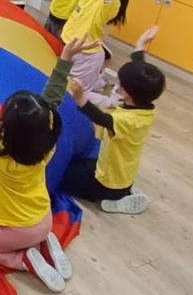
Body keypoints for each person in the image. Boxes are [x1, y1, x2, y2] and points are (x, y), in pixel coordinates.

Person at [0, 37, 99, 292]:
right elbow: (52, 99)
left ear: (5, 129)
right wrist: (66, 59)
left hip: (16, 231)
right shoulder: (47, 148)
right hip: (44, 218)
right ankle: (45, 241)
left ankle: (23, 259)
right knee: (29, 231)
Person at [63, 25, 164, 215]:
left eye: (120, 84)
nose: (117, 84)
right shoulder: (146, 107)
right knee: (77, 164)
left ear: (127, 93)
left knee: (65, 179)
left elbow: (101, 118)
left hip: (108, 183)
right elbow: (139, 74)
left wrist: (81, 99)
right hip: (119, 172)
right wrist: (140, 46)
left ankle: (114, 199)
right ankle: (125, 191)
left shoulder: (127, 120)